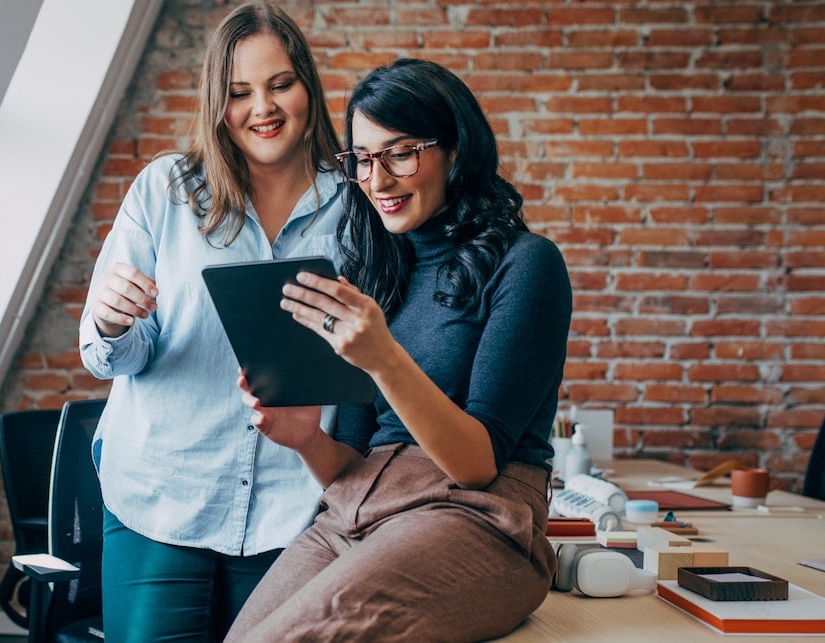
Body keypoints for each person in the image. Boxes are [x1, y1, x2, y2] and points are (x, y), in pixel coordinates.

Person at [225, 58, 573, 642]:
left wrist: (383, 358)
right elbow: (352, 465)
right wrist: (307, 439)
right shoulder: (376, 278)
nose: (377, 180)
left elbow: (477, 465)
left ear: (456, 150)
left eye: (401, 152)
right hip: (356, 511)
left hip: (475, 517)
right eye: (362, 158)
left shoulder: (527, 264)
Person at [77, 3, 347, 640]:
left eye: (280, 84)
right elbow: (108, 354)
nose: (264, 108)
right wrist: (114, 324)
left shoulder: (356, 207)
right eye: (239, 93)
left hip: (298, 509)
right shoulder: (165, 191)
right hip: (162, 493)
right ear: (215, 103)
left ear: (306, 84)